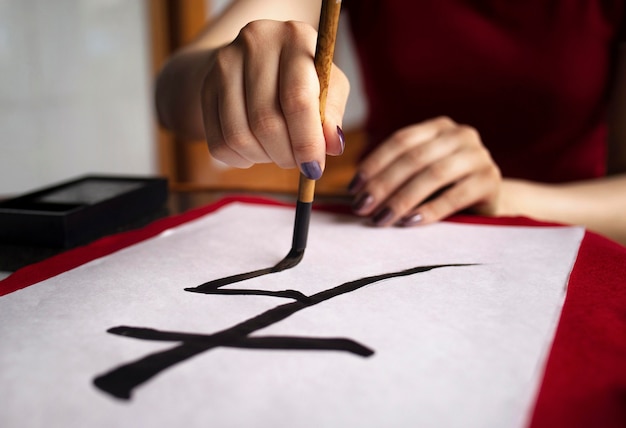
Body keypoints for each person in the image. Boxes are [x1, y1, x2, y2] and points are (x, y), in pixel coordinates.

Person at [155, 0, 626, 245]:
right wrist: (222, 76)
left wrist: (503, 197)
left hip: (566, 233)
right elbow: (169, 93)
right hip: (377, 227)